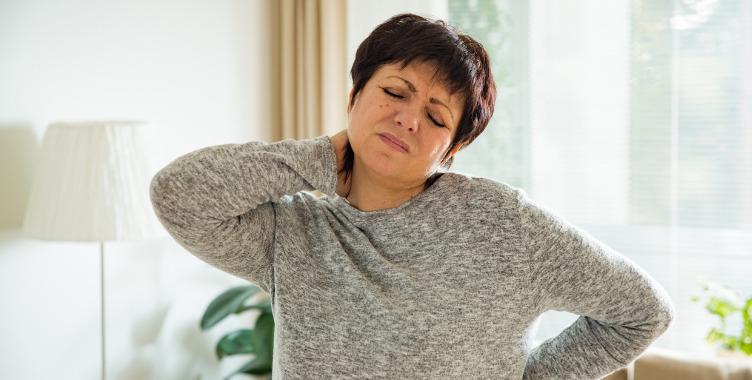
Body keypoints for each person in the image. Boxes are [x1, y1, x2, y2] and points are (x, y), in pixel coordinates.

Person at [150, 13, 674, 379]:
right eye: (393, 92)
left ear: (452, 148)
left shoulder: (505, 225)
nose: (407, 118)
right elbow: (178, 196)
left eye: (437, 116)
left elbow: (643, 311)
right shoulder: (294, 230)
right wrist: (325, 155)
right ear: (355, 95)